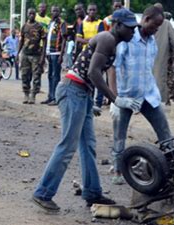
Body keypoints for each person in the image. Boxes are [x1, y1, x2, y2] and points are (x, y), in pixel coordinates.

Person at [32, 8, 138, 212]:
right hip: (74, 90)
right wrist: (115, 100)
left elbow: (94, 74)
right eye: (130, 28)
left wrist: (94, 100)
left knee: (87, 144)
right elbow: (93, 72)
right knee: (68, 145)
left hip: (81, 93)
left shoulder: (112, 42)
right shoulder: (107, 38)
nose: (133, 32)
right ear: (117, 25)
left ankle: (92, 192)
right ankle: (42, 193)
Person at [110, 6, 171, 185]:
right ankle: (117, 169)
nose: (156, 30)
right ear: (145, 19)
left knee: (165, 132)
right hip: (126, 95)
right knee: (119, 136)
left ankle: (172, 164)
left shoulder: (152, 41)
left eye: (159, 27)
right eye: (154, 25)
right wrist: (115, 98)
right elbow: (113, 67)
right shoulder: (127, 39)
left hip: (149, 95)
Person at [76, 3, 106, 108]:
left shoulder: (100, 23)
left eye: (94, 10)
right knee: (87, 77)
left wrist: (88, 40)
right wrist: (91, 40)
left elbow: (100, 38)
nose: (92, 12)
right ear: (87, 11)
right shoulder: (83, 24)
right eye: (90, 10)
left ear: (96, 11)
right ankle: (89, 100)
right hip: (86, 54)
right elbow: (78, 39)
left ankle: (98, 102)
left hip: (98, 53)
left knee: (99, 78)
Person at [18, 8, 46, 104]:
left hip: (36, 55)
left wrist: (43, 55)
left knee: (36, 76)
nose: (31, 15)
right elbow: (21, 40)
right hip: (25, 54)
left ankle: (33, 95)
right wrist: (18, 53)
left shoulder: (39, 26)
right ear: (27, 14)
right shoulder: (24, 26)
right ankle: (26, 94)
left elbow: (44, 41)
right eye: (30, 13)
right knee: (25, 75)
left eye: (33, 14)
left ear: (35, 15)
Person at [152, 3, 174, 104]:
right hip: (162, 53)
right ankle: (161, 99)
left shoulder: (150, 21)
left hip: (149, 54)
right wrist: (173, 55)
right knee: (161, 77)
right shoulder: (166, 23)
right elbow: (173, 40)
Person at [41, 5, 67, 106]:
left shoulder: (62, 23)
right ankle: (50, 96)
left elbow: (64, 38)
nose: (54, 13)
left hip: (57, 53)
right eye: (53, 11)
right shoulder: (50, 23)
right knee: (50, 76)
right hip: (49, 52)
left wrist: (61, 54)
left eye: (56, 11)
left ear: (59, 12)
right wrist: (45, 53)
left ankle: (56, 98)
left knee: (56, 76)